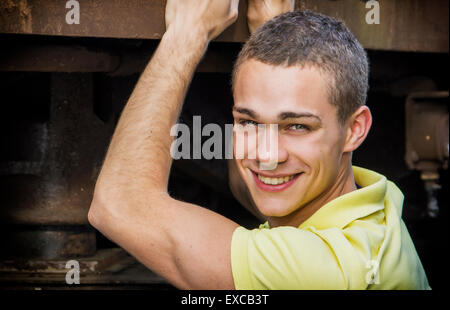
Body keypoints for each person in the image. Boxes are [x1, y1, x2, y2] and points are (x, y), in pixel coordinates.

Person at [88, 0, 430, 289]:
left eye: (297, 126)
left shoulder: (328, 269)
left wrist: (186, 34)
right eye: (249, 123)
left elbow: (120, 206)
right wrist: (274, 27)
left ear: (355, 129)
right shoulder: (374, 207)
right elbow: (260, 188)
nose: (266, 156)